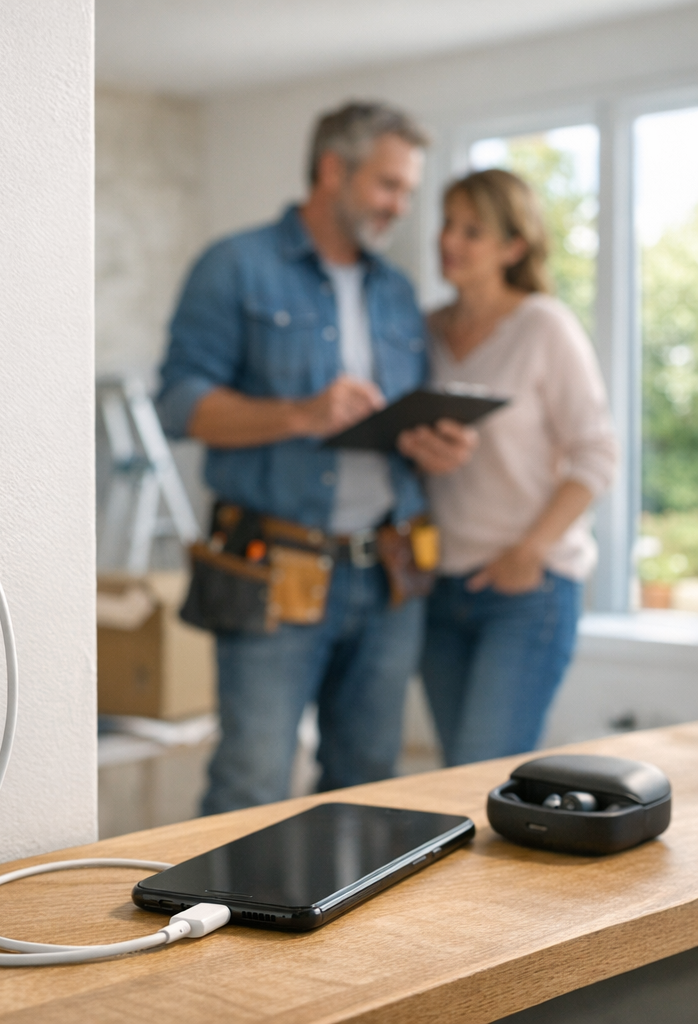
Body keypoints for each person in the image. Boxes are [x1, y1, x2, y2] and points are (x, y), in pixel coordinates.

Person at [156, 101, 475, 814]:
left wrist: (432, 443)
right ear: (334, 170)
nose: (401, 207)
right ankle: (226, 923)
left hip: (389, 573)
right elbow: (179, 405)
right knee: (253, 781)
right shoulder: (234, 266)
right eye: (389, 186)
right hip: (274, 567)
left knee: (368, 786)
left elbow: (396, 416)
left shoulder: (395, 292)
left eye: (407, 191)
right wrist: (299, 413)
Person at [414, 168, 617, 766]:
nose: (450, 240)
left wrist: (530, 549)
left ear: (513, 247)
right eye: (447, 223)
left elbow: (597, 453)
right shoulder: (425, 331)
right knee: (453, 778)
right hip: (438, 588)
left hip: (526, 591)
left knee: (483, 773)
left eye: (472, 230)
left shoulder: (544, 325)